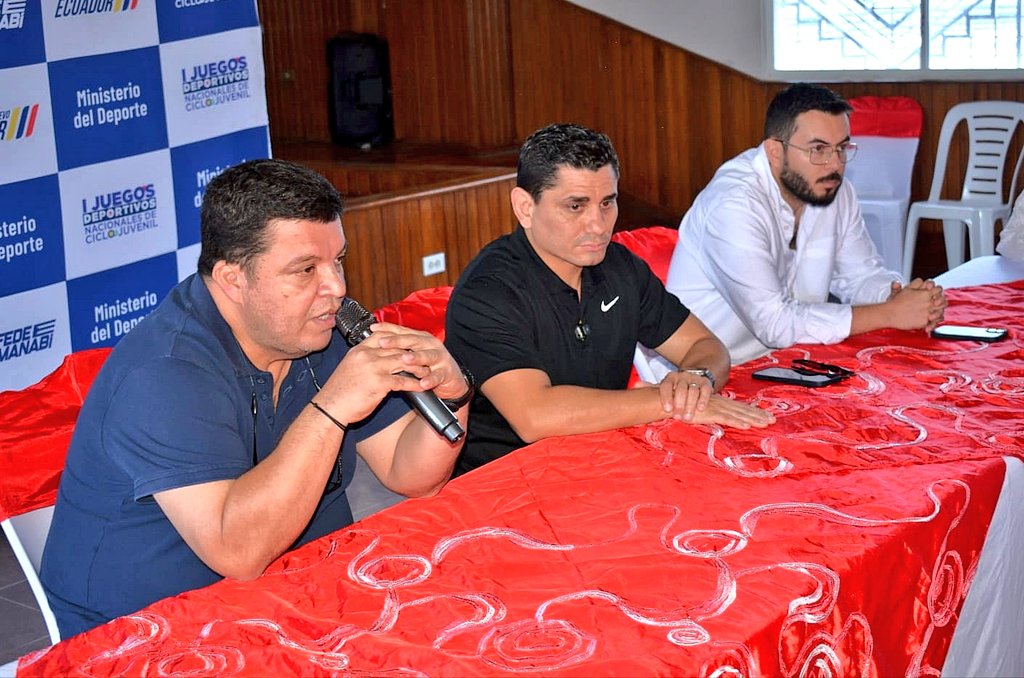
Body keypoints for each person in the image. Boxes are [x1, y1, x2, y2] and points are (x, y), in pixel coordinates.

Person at [40, 159, 472, 637]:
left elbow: (412, 476)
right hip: (148, 633)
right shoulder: (164, 374)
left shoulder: (316, 330)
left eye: (338, 260)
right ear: (232, 279)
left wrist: (453, 392)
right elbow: (239, 553)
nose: (337, 287)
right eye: (305, 269)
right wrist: (331, 409)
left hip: (295, 596)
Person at [444, 123, 774, 476]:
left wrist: (695, 380)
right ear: (525, 207)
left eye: (607, 203)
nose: (599, 225)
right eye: (575, 206)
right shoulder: (488, 291)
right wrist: (666, 401)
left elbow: (704, 345)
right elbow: (535, 416)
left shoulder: (620, 267)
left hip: (603, 460)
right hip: (505, 480)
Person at [664, 83, 948, 366]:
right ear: (775, 151)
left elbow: (859, 276)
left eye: (841, 148)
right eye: (818, 149)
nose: (835, 165)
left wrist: (896, 295)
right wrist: (889, 314)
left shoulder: (833, 191)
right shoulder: (733, 204)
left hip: (789, 361)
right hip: (704, 373)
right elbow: (774, 323)